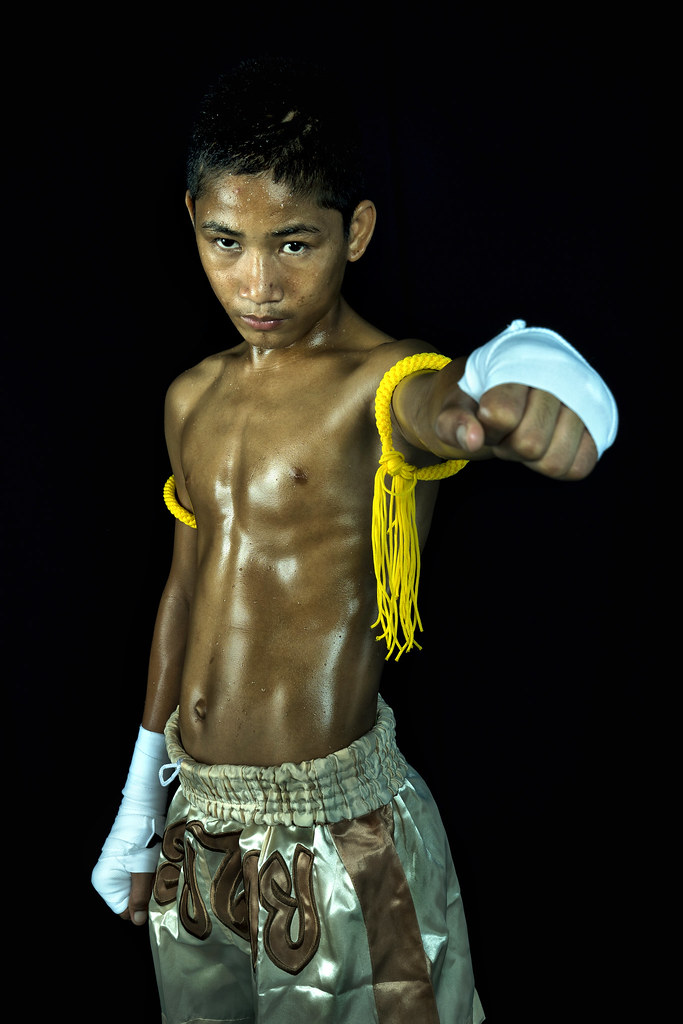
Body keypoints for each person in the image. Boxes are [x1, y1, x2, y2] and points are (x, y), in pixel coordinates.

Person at [92, 58, 618, 1024]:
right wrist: (139, 808)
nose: (257, 282)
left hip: (341, 838)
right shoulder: (189, 397)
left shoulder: (379, 383)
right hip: (198, 828)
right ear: (193, 222)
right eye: (225, 242)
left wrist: (524, 368)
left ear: (357, 231)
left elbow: (442, 403)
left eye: (293, 243)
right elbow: (186, 589)